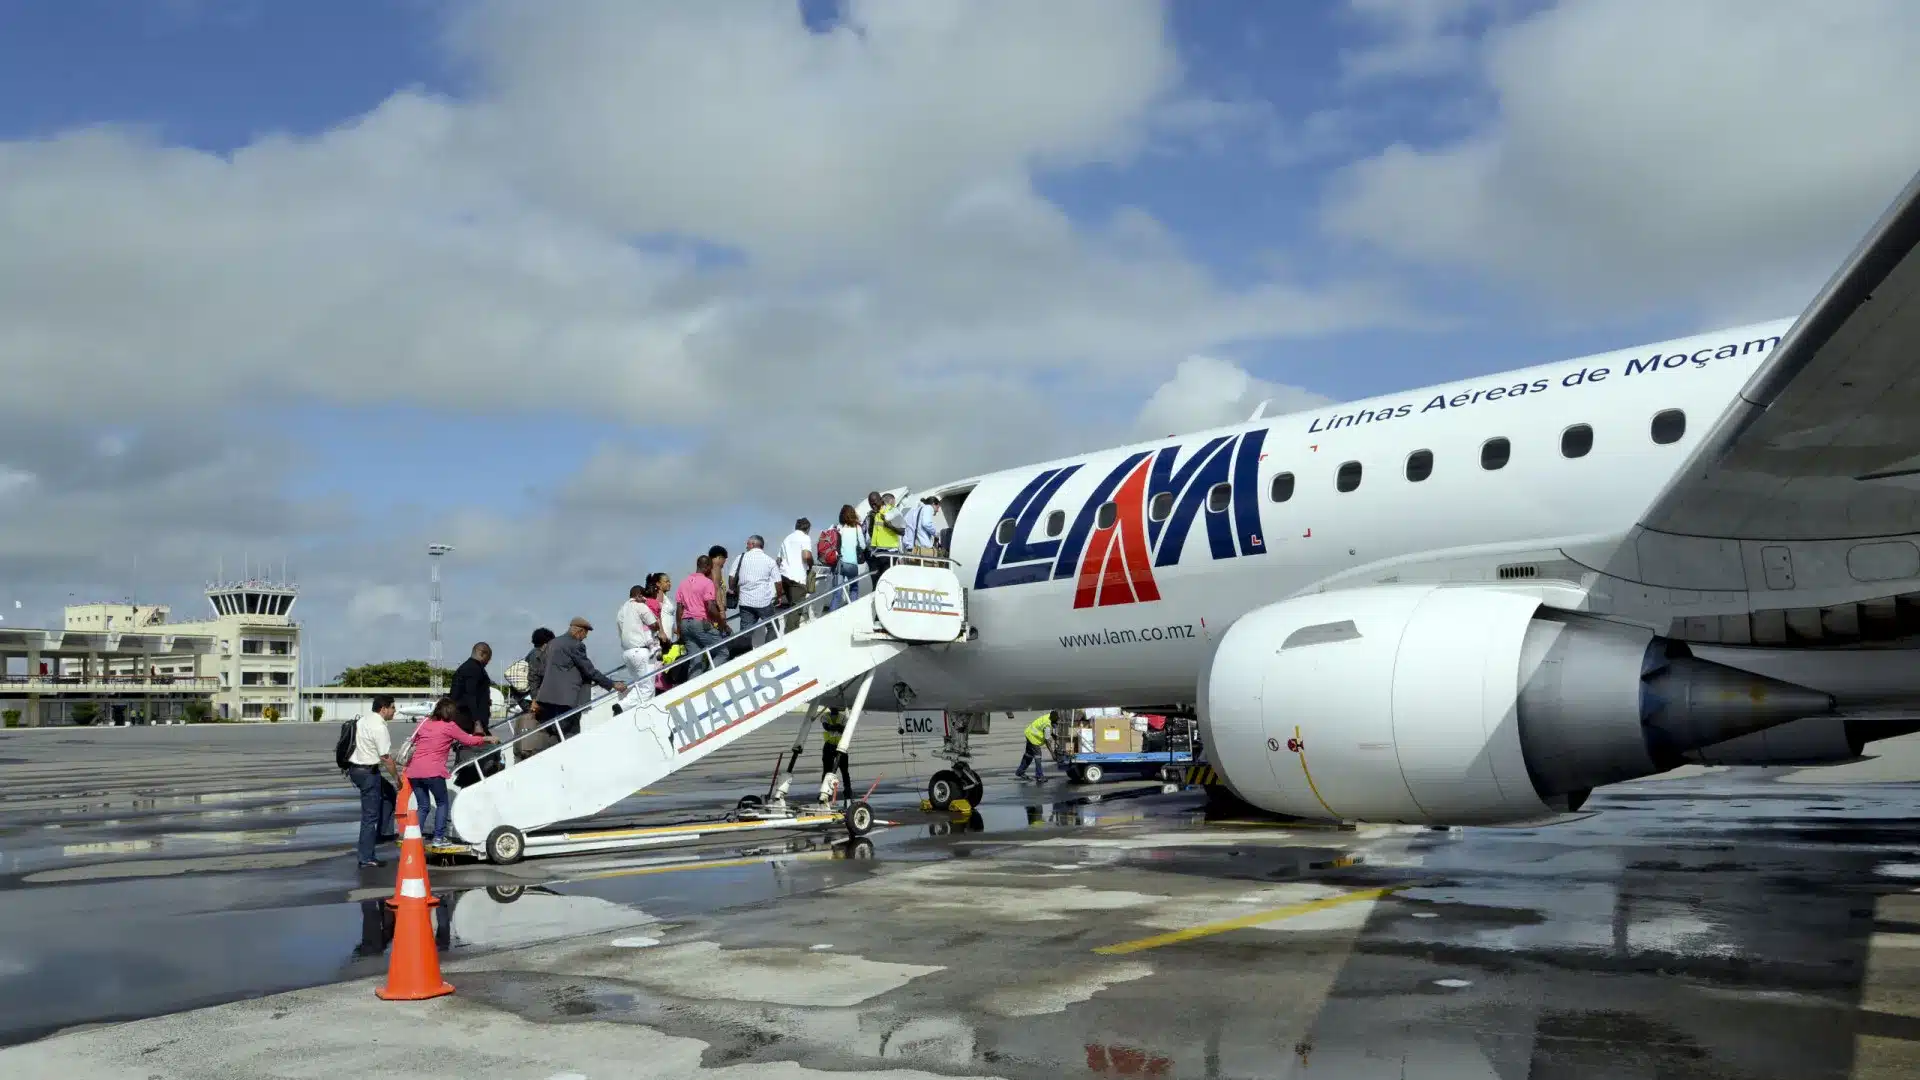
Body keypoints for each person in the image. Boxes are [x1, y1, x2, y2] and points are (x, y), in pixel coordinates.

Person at [404, 697, 497, 846]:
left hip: (414, 771)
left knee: (423, 806)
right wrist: (487, 738)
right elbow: (468, 740)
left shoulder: (424, 722)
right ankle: (438, 838)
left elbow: (415, 742)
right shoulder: (449, 726)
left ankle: (413, 837)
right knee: (442, 803)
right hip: (433, 771)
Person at [535, 616, 626, 740]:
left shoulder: (552, 643)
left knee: (556, 734)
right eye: (585, 633)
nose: (585, 637)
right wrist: (612, 684)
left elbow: (541, 670)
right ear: (579, 631)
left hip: (548, 698)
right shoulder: (575, 645)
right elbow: (589, 671)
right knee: (571, 734)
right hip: (567, 699)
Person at [345, 694, 399, 868]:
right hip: (368, 773)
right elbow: (386, 758)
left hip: (355, 770)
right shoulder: (379, 727)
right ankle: (366, 857)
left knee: (388, 793)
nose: (395, 711)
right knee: (370, 816)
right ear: (383, 709)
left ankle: (382, 833)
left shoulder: (363, 720)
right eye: (393, 707)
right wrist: (397, 778)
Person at [449, 642, 497, 784]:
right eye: (488, 658)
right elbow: (470, 695)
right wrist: (477, 722)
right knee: (488, 748)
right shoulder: (473, 669)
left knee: (476, 749)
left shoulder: (467, 668)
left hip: (468, 718)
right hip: (469, 719)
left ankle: (467, 778)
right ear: (482, 653)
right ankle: (467, 780)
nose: (488, 662)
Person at [675, 556, 728, 678]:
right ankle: (709, 678)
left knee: (695, 660)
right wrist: (722, 623)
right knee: (723, 652)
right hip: (699, 622)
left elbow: (679, 609)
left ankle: (695, 684)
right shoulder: (707, 582)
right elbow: (710, 607)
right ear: (707, 567)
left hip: (685, 624)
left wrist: (679, 629)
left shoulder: (683, 583)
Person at [616, 583, 662, 713]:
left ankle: (632, 709)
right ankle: (622, 706)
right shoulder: (639, 606)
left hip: (627, 653)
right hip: (640, 650)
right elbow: (654, 624)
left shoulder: (621, 611)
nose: (646, 600)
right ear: (638, 596)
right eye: (644, 597)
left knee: (640, 685)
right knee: (648, 689)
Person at [733, 536, 781, 650]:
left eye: (748, 544)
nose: (746, 546)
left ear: (753, 544)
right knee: (773, 626)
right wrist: (779, 596)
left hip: (745, 602)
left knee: (745, 632)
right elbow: (778, 582)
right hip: (763, 602)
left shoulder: (740, 558)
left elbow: (731, 577)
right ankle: (769, 650)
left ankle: (744, 654)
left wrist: (733, 590)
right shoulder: (769, 561)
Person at [827, 504, 866, 611]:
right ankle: (852, 612)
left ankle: (831, 616)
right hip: (852, 564)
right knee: (854, 589)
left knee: (837, 594)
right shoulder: (857, 528)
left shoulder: (838, 528)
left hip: (839, 564)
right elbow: (863, 546)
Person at [779, 518, 815, 631]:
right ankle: (789, 634)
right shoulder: (805, 537)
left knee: (791, 606)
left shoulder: (787, 538)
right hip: (797, 578)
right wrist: (811, 564)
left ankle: (790, 630)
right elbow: (806, 556)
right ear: (807, 529)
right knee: (796, 608)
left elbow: (778, 560)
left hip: (784, 577)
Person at [820, 707, 853, 803]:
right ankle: (825, 792)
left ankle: (848, 793)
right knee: (827, 770)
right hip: (829, 745)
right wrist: (838, 727)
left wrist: (834, 727)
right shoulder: (825, 716)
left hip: (840, 745)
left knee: (844, 771)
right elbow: (827, 727)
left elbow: (843, 729)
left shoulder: (842, 717)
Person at [865, 492, 901, 580]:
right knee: (877, 581)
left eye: (875, 503)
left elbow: (902, 531)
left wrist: (889, 525)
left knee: (886, 580)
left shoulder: (893, 511)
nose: (873, 506)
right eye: (871, 504)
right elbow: (871, 533)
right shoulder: (874, 515)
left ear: (881, 500)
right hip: (878, 553)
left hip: (890, 552)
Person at [1015, 711, 1053, 782]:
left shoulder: (1049, 716)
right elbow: (1047, 741)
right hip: (1033, 737)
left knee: (1029, 755)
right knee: (1038, 756)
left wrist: (1053, 735)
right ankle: (1039, 776)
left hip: (1029, 732)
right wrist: (1052, 754)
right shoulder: (1048, 725)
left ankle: (1020, 771)